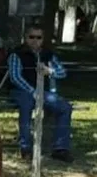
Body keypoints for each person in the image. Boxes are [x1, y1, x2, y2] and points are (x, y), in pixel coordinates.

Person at [7, 24, 73, 163]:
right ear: (25, 38)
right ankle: (26, 148)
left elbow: (62, 72)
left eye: (39, 37)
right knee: (26, 106)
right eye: (31, 37)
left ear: (43, 39)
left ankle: (60, 148)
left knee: (65, 107)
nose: (35, 40)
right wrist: (33, 92)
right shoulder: (16, 54)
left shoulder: (48, 55)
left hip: (44, 92)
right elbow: (15, 77)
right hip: (21, 91)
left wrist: (50, 71)